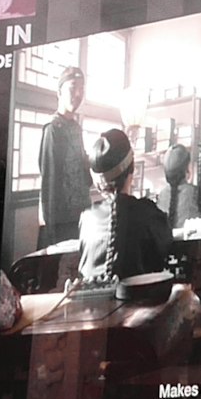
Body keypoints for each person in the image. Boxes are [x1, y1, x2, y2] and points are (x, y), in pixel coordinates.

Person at [85, 129, 173, 283]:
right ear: (132, 169)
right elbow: (166, 248)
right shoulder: (148, 213)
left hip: (91, 306)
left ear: (98, 185)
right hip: (139, 303)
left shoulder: (87, 218)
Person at [38, 66, 95, 251]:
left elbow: (85, 176)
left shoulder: (76, 128)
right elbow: (50, 184)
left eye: (82, 89)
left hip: (82, 215)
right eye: (72, 88)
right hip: (62, 221)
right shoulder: (53, 129)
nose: (77, 94)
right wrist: (51, 229)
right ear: (59, 92)